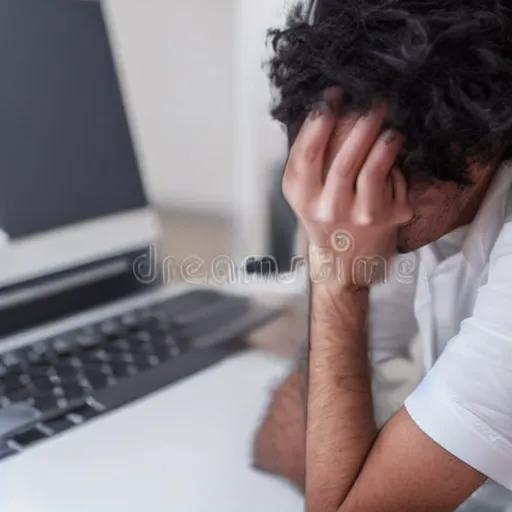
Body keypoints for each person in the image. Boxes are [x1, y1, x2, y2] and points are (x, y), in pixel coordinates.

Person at [252, 1, 512, 511]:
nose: (343, 209)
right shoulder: (413, 192)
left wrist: (337, 279)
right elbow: (278, 441)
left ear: (477, 153)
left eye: (372, 177)